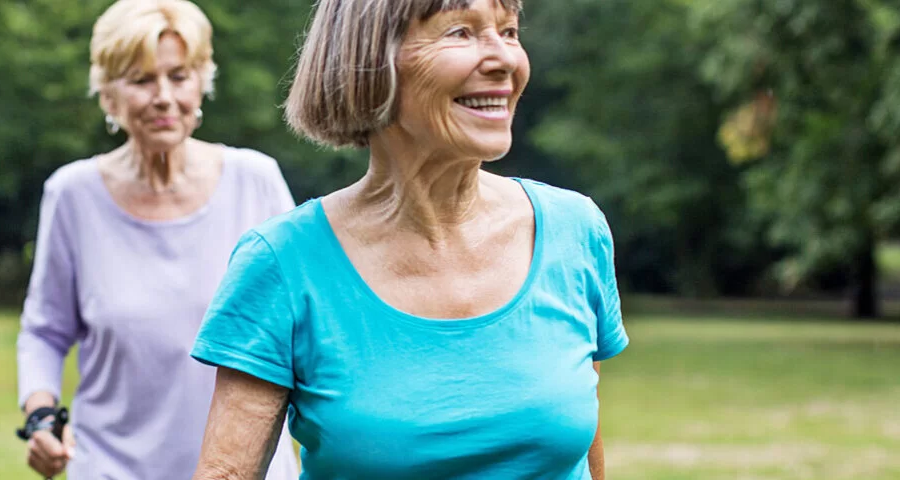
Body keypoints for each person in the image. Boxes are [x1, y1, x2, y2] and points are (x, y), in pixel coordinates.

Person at [190, 0, 628, 478]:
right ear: (373, 60)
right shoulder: (282, 263)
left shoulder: (575, 230)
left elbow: (583, 452)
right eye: (460, 32)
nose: (504, 58)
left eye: (508, 31)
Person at [13, 1, 301, 478]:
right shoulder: (72, 195)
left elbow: (307, 325)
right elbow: (44, 330)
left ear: (202, 83)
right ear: (107, 95)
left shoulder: (256, 181)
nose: (164, 96)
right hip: (113, 467)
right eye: (143, 80)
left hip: (247, 470)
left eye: (179, 76)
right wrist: (41, 415)